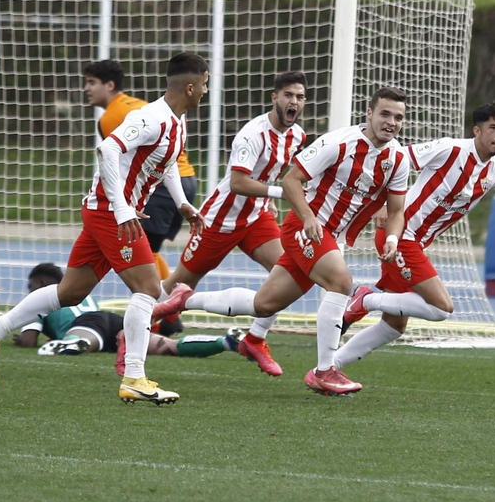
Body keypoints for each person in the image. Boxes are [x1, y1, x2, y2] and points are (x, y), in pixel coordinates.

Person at [0, 52, 209, 404]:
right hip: (111, 212)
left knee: (69, 293)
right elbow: (108, 149)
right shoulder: (150, 117)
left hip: (106, 211)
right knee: (147, 288)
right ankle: (135, 377)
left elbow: (166, 162)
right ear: (190, 87)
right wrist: (123, 209)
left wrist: (182, 203)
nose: (205, 91)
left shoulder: (177, 121)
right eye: (204, 84)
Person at [152, 86, 410, 397]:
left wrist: (392, 237)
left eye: (398, 117)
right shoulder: (339, 142)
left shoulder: (398, 158)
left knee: (264, 304)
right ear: (369, 114)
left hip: (328, 236)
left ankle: (184, 300)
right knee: (341, 282)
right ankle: (324, 371)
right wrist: (308, 217)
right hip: (304, 227)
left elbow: (396, 210)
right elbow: (291, 179)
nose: (391, 122)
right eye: (385, 114)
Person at [336, 101, 495, 367]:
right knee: (441, 307)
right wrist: (383, 203)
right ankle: (366, 299)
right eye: (493, 127)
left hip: (414, 243)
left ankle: (330, 367)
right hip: (400, 235)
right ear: (477, 131)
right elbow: (395, 160)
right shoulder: (449, 149)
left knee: (394, 326)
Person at [158, 70, 309, 376]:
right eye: (288, 95)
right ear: (275, 98)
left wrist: (269, 201)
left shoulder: (297, 136)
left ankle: (255, 339)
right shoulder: (252, 134)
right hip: (220, 220)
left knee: (290, 272)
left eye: (300, 96)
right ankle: (130, 332)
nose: (294, 101)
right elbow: (238, 183)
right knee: (178, 286)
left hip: (257, 218)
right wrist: (281, 194)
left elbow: (270, 174)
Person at [82, 59, 198, 286]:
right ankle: (164, 300)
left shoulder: (112, 116)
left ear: (110, 85)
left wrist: (120, 205)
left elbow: (114, 159)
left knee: (145, 255)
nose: (86, 88)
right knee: (149, 250)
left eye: (92, 82)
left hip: (161, 183)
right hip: (185, 178)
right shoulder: (146, 106)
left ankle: (165, 304)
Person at [11, 263, 246, 361]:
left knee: (85, 339)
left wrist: (22, 338)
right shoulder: (81, 293)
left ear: (41, 284)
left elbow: (30, 340)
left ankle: (76, 343)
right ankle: (225, 342)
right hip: (114, 321)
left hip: (88, 325)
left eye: (31, 287)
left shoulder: (41, 300)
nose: (29, 292)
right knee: (168, 347)